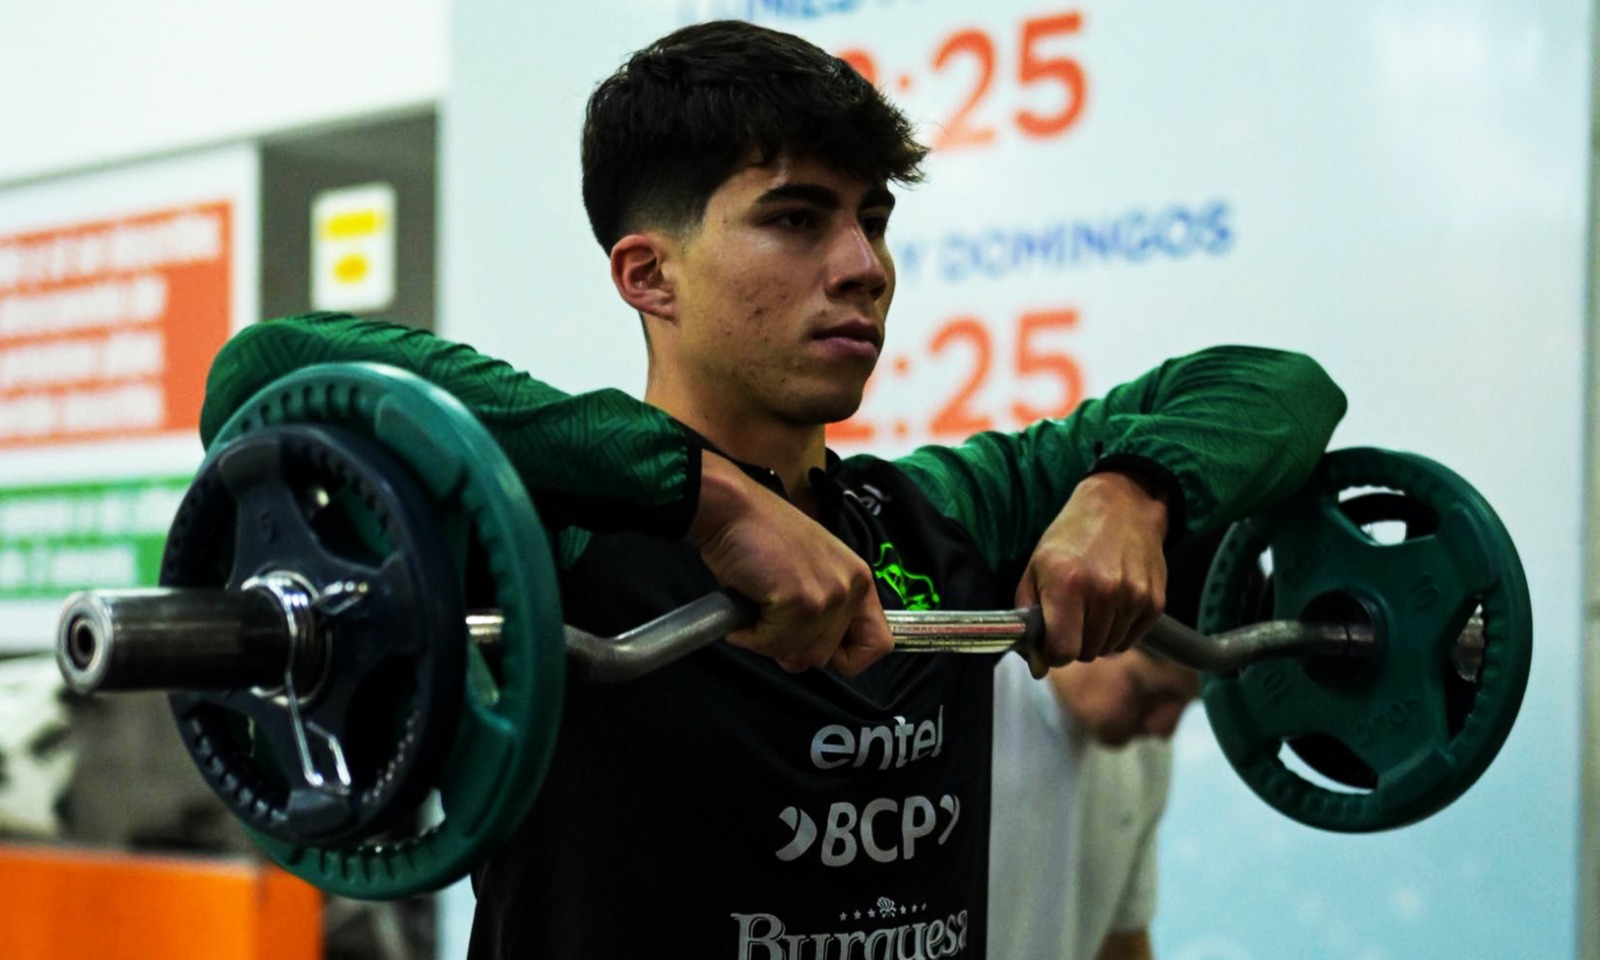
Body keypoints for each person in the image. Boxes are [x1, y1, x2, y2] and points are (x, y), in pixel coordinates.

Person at [198, 19, 1345, 958]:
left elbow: (1282, 386)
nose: (863, 265)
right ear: (649, 274)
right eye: (796, 218)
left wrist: (1132, 488)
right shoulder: (536, 537)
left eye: (873, 220)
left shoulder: (947, 512)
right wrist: (707, 498)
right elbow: (267, 371)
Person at [989, 534, 1234, 960]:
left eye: (1186, 705)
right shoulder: (982, 697)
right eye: (1153, 694)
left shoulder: (1145, 758)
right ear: (1091, 624)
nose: (1165, 730)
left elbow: (1121, 941)